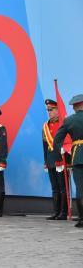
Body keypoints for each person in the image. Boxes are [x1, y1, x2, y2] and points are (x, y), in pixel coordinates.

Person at [53, 94, 83, 228]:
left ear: (75, 106)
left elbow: (57, 140)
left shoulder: (69, 121)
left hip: (78, 157)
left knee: (80, 190)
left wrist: (58, 156)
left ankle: (82, 219)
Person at [42, 99, 69, 220]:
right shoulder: (46, 126)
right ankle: (56, 212)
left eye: (51, 110)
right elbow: (45, 146)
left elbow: (68, 142)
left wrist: (67, 159)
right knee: (54, 188)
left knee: (63, 188)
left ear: (58, 110)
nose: (49, 112)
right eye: (48, 110)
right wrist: (46, 162)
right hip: (51, 160)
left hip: (62, 160)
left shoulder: (64, 123)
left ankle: (63, 212)